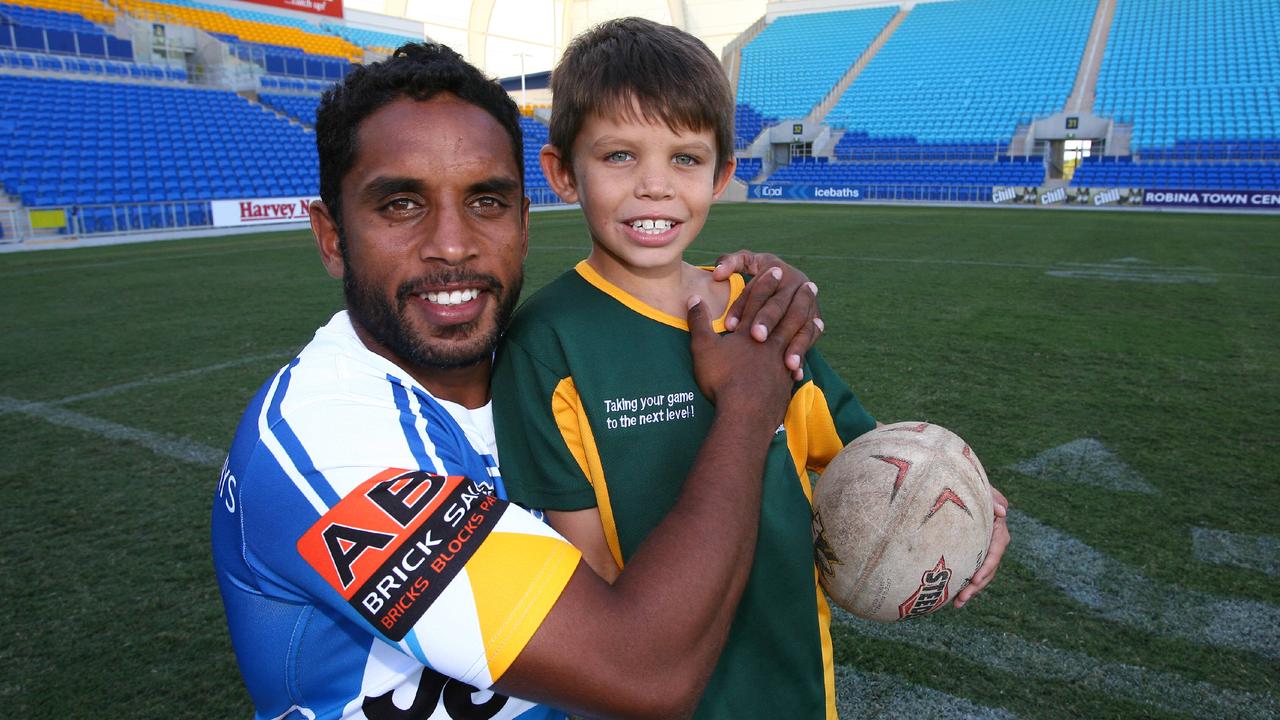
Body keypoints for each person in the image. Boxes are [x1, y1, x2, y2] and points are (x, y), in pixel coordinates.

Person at [211, 42, 827, 720]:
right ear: (331, 238)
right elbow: (643, 674)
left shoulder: (546, 368)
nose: (453, 243)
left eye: (486, 201)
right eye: (401, 204)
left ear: (525, 224)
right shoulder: (325, 437)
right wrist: (748, 405)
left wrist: (752, 298)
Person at [489, 18, 1011, 720]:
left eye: (684, 158)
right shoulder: (547, 344)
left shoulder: (763, 313)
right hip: (654, 698)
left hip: (796, 687)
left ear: (722, 174)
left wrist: (974, 511)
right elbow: (590, 583)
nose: (654, 186)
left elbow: (883, 462)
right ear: (562, 172)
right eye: (619, 156)